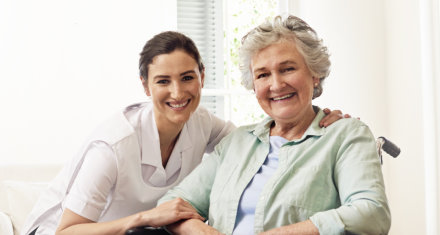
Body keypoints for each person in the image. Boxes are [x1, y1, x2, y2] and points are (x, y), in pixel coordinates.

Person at [21, 31, 346, 235]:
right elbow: (68, 229)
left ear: (202, 77)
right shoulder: (113, 146)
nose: (178, 93)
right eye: (163, 81)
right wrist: (145, 217)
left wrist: (320, 118)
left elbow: (259, 141)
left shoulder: (203, 124)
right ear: (145, 86)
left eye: (187, 77)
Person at [158, 15, 391, 235]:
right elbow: (171, 205)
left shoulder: (345, 135)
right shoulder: (237, 142)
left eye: (288, 69)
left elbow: (372, 213)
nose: (276, 85)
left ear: (315, 74)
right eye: (262, 75)